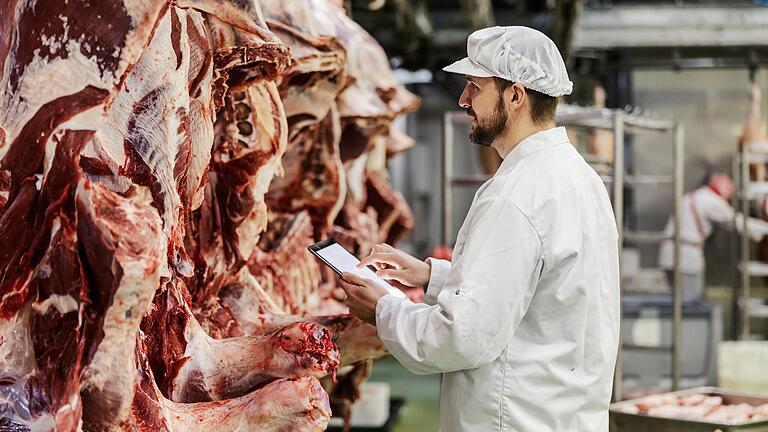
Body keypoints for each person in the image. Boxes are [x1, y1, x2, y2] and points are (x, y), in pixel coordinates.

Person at [338, 26, 620, 431]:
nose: (463, 99)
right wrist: (430, 274)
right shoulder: (577, 177)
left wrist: (382, 307)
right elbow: (539, 290)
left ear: (515, 95)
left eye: (474, 86)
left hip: (514, 419)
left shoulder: (517, 194)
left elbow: (459, 338)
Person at [658, 173, 768, 301]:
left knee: (677, 301)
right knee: (690, 302)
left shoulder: (697, 195)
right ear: (722, 187)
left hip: (669, 255)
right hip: (686, 258)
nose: (729, 195)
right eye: (729, 189)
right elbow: (735, 222)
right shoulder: (710, 201)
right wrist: (764, 228)